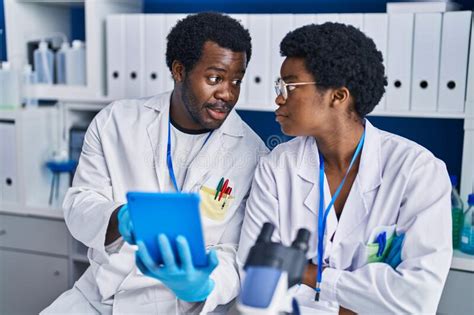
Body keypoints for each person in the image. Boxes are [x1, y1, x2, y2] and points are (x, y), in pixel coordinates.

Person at [43, 12, 268, 314]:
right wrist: (119, 218)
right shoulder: (116, 122)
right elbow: (80, 203)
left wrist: (202, 285)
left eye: (236, 81)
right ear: (179, 70)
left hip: (179, 306)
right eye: (215, 78)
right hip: (100, 298)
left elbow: (237, 254)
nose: (227, 93)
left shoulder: (253, 154)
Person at [237, 23, 452, 314]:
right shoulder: (276, 167)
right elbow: (256, 280)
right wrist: (358, 300)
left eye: (289, 86)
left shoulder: (417, 172)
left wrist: (306, 272)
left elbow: (417, 298)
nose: (278, 98)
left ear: (338, 96)